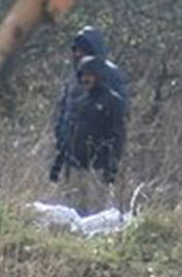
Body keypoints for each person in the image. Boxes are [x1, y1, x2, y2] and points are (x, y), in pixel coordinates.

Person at [49, 56, 126, 215]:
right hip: (74, 167)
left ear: (99, 76)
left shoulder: (112, 101)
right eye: (83, 75)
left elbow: (118, 137)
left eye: (90, 75)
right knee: (72, 213)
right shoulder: (78, 101)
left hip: (97, 169)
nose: (86, 79)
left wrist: (111, 168)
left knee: (95, 215)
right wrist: (58, 165)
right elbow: (68, 134)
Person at [52, 26, 128, 165]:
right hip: (69, 160)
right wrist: (60, 140)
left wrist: (110, 158)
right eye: (75, 49)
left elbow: (117, 118)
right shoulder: (74, 76)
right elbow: (63, 111)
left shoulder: (110, 74)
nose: (77, 54)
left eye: (83, 49)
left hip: (97, 162)